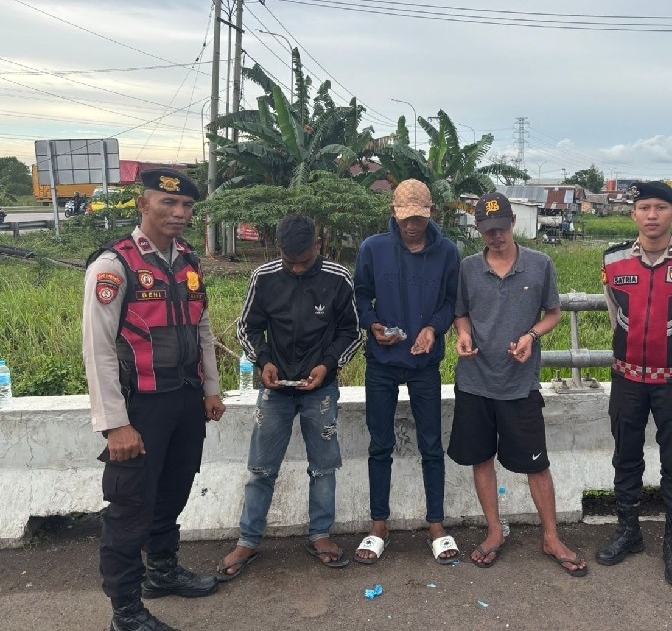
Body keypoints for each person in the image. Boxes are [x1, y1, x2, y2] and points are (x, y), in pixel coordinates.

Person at [83, 168, 225, 631]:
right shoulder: (114, 265)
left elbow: (201, 326)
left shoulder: (187, 260)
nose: (179, 213)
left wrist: (210, 389)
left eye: (186, 205)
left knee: (173, 490)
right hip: (139, 407)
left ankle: (162, 571)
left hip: (184, 400)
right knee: (130, 508)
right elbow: (98, 350)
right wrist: (115, 423)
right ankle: (126, 611)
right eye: (168, 203)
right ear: (143, 205)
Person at [447, 192, 588, 577]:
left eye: (500, 228)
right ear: (479, 230)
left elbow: (553, 313)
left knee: (536, 464)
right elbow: (461, 313)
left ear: (512, 223)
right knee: (481, 458)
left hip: (520, 384)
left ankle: (551, 536)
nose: (495, 236)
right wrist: (464, 335)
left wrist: (531, 335)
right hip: (475, 382)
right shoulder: (468, 268)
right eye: (487, 230)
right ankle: (495, 530)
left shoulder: (540, 265)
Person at [217, 214, 363, 580]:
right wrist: (264, 361)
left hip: (320, 389)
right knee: (261, 468)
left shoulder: (338, 278)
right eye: (289, 261)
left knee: (324, 466)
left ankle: (321, 534)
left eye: (304, 261)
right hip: (275, 387)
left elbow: (352, 332)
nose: (297, 269)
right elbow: (247, 327)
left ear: (318, 245)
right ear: (278, 249)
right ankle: (249, 540)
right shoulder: (264, 277)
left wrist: (327, 366)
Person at [597, 181, 672, 586]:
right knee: (625, 456)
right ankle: (628, 532)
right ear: (633, 214)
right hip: (626, 379)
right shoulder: (613, 259)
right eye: (644, 207)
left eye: (661, 207)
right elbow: (616, 315)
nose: (652, 215)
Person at [352, 179, 461, 565]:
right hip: (381, 362)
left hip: (424, 364)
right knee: (379, 444)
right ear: (394, 215)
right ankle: (379, 524)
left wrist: (434, 328)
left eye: (418, 218)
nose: (411, 226)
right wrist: (372, 324)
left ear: (430, 213)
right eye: (405, 219)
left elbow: (451, 301)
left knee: (431, 444)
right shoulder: (373, 248)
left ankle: (436, 525)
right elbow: (360, 294)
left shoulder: (448, 252)